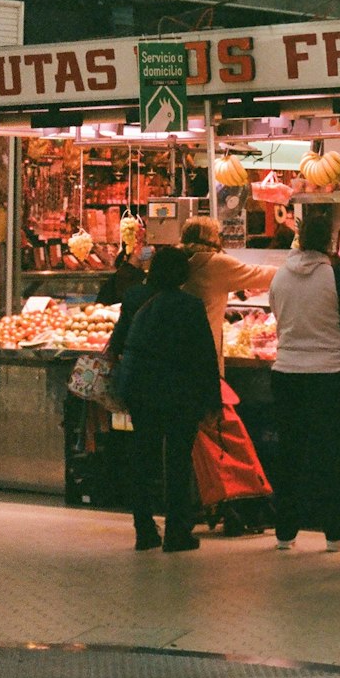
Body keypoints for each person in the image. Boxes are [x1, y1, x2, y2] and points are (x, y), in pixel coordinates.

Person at [268, 209, 340, 552]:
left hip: (286, 375)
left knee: (289, 454)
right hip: (329, 377)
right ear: (328, 243)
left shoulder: (281, 276)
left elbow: (276, 315)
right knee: (331, 455)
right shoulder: (337, 279)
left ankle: (285, 533)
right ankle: (335, 534)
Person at [117, 246, 221, 553]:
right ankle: (177, 531)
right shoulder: (189, 305)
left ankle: (144, 529)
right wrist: (212, 401)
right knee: (178, 460)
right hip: (179, 392)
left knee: (143, 458)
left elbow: (120, 339)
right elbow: (204, 355)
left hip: (140, 389)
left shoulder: (135, 297)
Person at [180, 217, 276, 375]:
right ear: (212, 238)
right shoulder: (215, 263)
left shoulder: (180, 262)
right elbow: (263, 274)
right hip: (204, 354)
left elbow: (204, 296)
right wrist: (297, 268)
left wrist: (236, 295)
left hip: (175, 351)